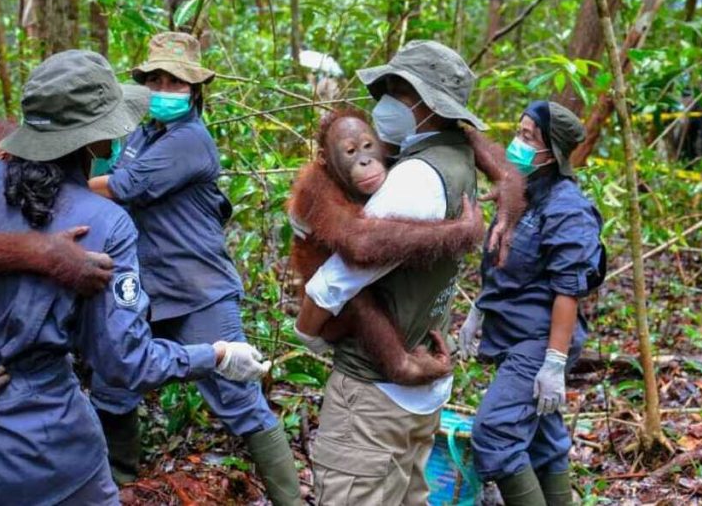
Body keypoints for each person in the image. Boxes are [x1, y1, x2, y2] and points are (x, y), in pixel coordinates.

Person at [0, 50, 270, 505]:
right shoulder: (104, 225)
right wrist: (216, 354)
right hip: (41, 460)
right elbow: (125, 363)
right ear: (98, 140)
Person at [87, 32, 301, 505]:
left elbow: (127, 185)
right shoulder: (144, 133)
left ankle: (290, 500)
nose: (164, 88)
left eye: (175, 81)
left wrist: (60, 180)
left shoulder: (190, 141)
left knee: (238, 399)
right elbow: (116, 165)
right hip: (143, 285)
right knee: (114, 383)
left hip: (198, 287)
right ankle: (120, 485)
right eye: (156, 79)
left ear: (195, 89)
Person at [304, 40, 484, 505]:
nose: (384, 105)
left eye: (396, 93)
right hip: (420, 390)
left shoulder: (412, 178)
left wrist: (308, 330)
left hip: (375, 399)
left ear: (426, 104)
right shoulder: (459, 156)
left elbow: (340, 276)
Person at [458, 101, 606, 506]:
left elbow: (568, 290)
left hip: (540, 339)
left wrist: (554, 363)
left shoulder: (567, 208)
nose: (516, 144)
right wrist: (479, 310)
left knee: (496, 433)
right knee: (543, 439)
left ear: (552, 153)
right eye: (518, 132)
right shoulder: (519, 192)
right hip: (514, 329)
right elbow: (505, 265)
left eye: (528, 138)